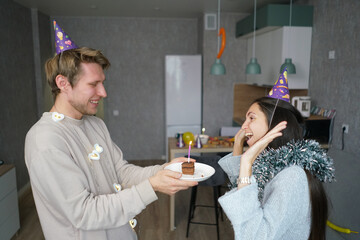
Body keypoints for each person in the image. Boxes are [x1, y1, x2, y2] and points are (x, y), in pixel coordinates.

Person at [24, 21, 197, 240]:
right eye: (93, 84)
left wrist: (164, 170)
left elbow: (121, 173)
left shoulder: (95, 124)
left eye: (102, 83)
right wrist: (152, 187)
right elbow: (84, 213)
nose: (103, 92)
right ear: (63, 83)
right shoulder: (45, 141)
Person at [217, 69, 335, 240]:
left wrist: (246, 161)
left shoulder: (292, 177)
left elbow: (254, 236)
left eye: (251, 118)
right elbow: (242, 190)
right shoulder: (270, 164)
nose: (243, 126)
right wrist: (238, 146)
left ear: (274, 124)